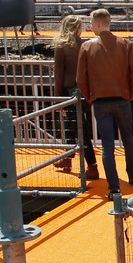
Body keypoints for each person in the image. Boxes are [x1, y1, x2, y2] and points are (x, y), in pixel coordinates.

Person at [77, 9, 133, 194]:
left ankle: (113, 187)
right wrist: (130, 92)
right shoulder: (125, 44)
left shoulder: (87, 47)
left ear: (97, 24)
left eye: (91, 23)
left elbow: (80, 79)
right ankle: (132, 174)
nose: (91, 27)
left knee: (107, 144)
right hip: (122, 98)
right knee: (128, 138)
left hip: (100, 101)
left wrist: (89, 96)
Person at [52, 15, 98, 180]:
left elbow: (58, 75)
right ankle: (69, 158)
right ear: (78, 28)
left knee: (75, 128)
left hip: (69, 92)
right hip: (84, 91)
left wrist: (58, 99)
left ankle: (92, 165)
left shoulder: (61, 46)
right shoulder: (86, 44)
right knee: (78, 127)